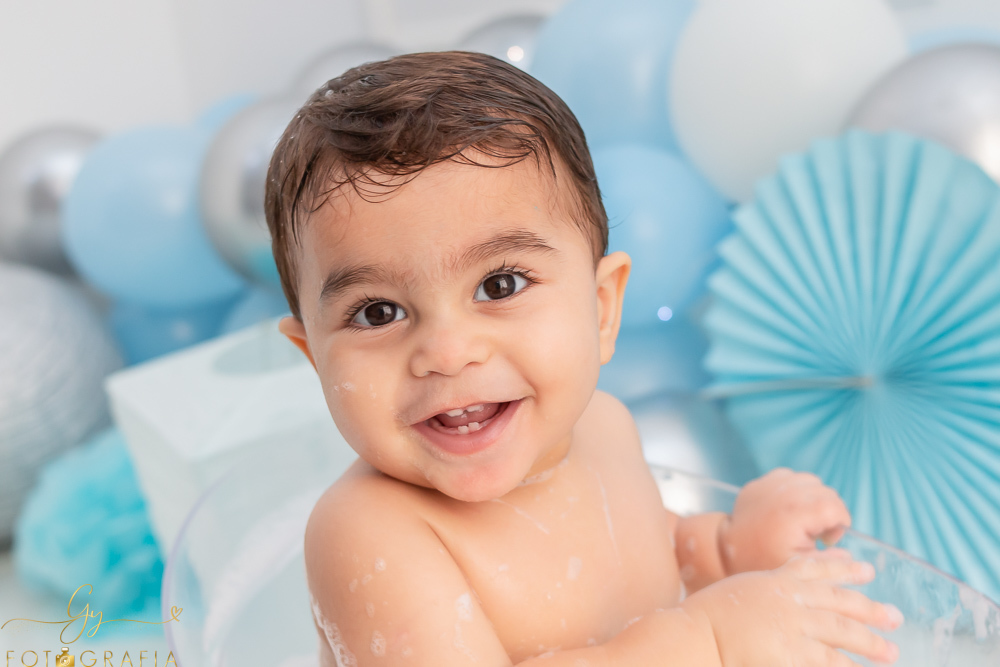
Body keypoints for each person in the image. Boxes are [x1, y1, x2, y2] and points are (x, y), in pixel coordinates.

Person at [266, 50, 902, 666]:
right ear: (314, 358)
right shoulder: (368, 535)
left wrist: (727, 549)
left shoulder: (602, 426)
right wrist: (711, 641)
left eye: (500, 285)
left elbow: (652, 557)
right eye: (378, 312)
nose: (448, 353)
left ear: (601, 308)